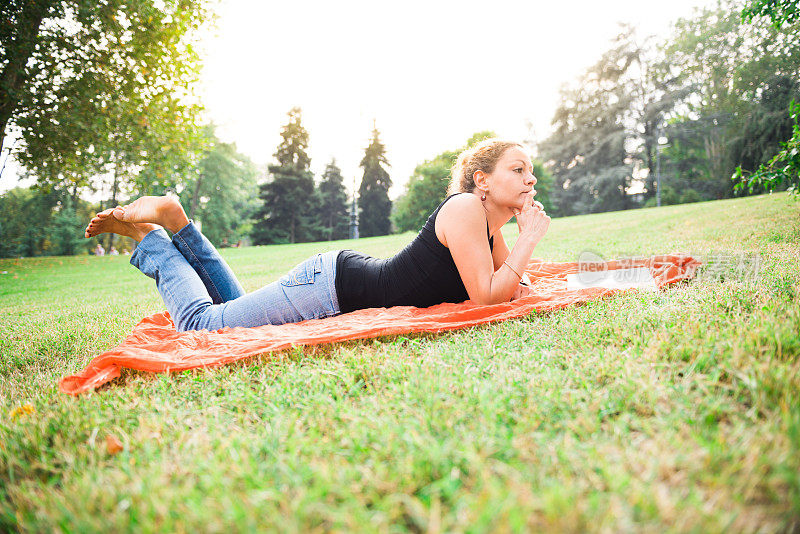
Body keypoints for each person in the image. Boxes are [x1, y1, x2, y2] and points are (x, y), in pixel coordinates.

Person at [84, 139, 550, 332]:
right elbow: (488, 297)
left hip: (333, 281)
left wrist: (518, 241)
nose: (530, 179)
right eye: (518, 169)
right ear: (481, 179)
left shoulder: (489, 225)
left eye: (531, 171)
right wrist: (530, 238)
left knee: (228, 313)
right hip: (330, 289)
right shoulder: (466, 208)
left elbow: (506, 287)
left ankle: (179, 223)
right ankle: (153, 238)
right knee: (202, 327)